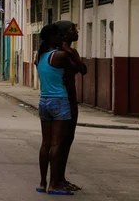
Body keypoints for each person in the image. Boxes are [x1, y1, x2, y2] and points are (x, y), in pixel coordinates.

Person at [35, 24, 75, 196]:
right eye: (59, 35)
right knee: (57, 144)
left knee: (45, 143)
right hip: (59, 101)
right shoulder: (59, 55)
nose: (61, 38)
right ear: (52, 37)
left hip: (43, 101)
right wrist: (68, 50)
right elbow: (81, 69)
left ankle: (43, 183)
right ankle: (54, 185)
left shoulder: (40, 56)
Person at [55, 21, 87, 192]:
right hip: (64, 99)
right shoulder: (62, 53)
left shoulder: (67, 52)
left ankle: (59, 179)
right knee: (62, 141)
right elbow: (83, 69)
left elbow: (82, 69)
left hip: (68, 98)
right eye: (72, 30)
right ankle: (57, 180)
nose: (77, 32)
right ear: (63, 34)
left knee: (65, 141)